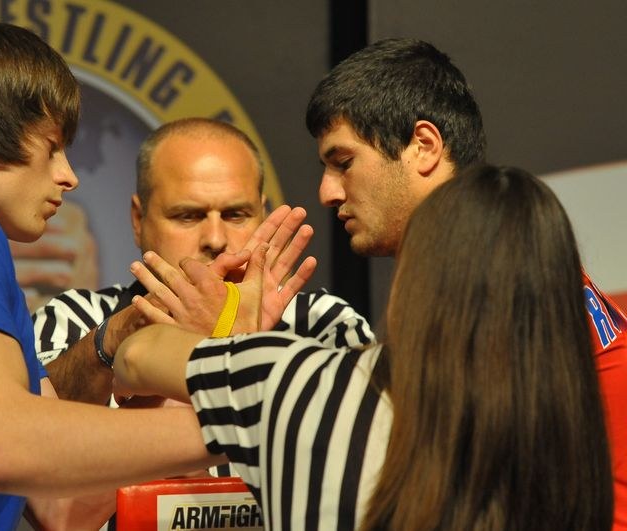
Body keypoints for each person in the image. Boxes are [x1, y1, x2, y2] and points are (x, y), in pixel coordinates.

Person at [0, 22, 266, 530]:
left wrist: (173, 382)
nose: (69, 175)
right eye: (52, 146)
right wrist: (248, 417)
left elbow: (64, 511)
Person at [114, 164, 614, 530]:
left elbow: (137, 355)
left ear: (414, 282)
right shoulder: (576, 445)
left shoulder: (297, 381)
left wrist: (231, 336)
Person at [305, 37, 627, 529]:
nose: (327, 192)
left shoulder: (491, 273)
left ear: (424, 146)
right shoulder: (498, 253)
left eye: (343, 162)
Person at [33, 117, 374, 406]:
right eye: (188, 216)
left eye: (236, 214)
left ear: (263, 214)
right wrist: (121, 334)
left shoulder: (324, 322)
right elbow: (34, 422)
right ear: (139, 220)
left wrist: (240, 345)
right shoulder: (75, 318)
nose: (215, 239)